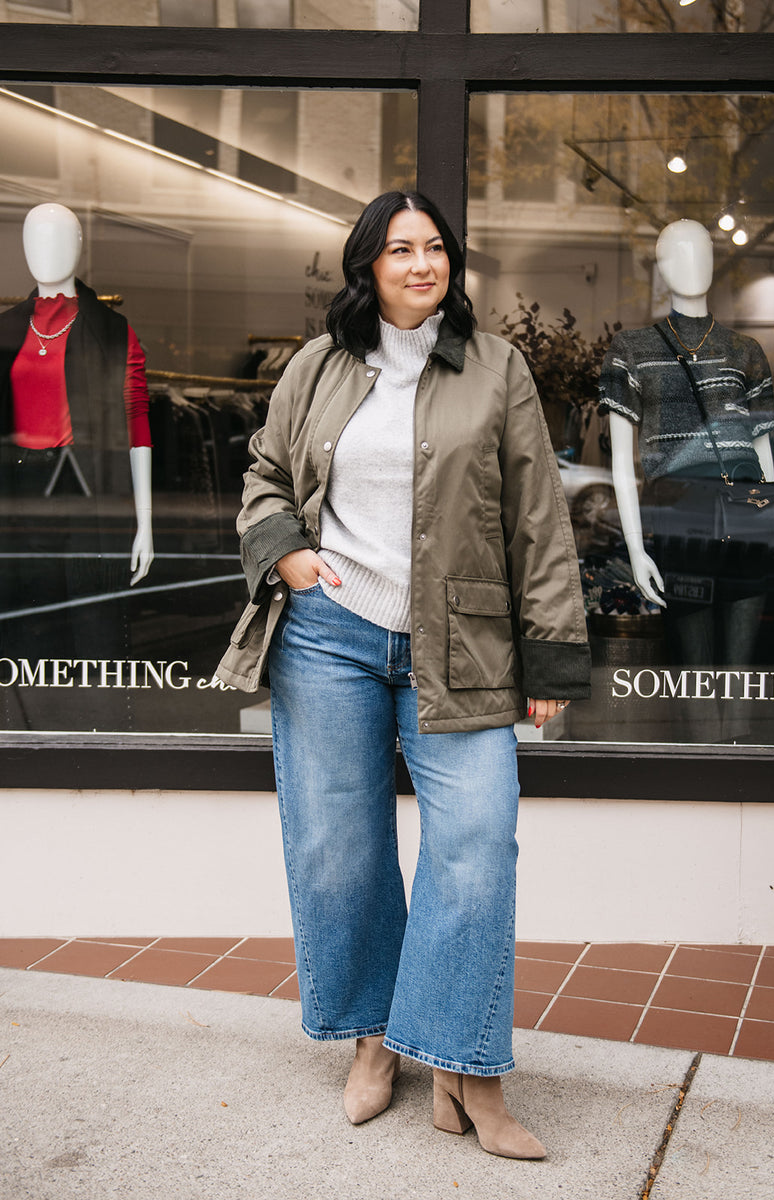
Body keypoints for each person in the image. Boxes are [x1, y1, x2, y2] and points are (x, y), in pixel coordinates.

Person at [217, 191, 590, 1159]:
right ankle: (375, 1042)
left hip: (460, 644)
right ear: (366, 266)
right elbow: (263, 471)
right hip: (329, 637)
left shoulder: (496, 368)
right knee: (338, 851)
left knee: (475, 847)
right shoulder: (319, 364)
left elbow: (537, 518)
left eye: (434, 248)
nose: (421, 263)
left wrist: (549, 651)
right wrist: (287, 553)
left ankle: (468, 1068)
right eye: (399, 249)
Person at [600, 218, 774, 669]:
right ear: (661, 266)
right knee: (694, 671)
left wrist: (771, 529)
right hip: (681, 521)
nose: (691, 261)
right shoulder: (631, 349)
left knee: (741, 673)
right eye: (676, 252)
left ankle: (736, 740)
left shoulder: (746, 350)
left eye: (701, 250)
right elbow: (623, 462)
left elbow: (762, 450)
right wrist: (637, 549)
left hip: (745, 522)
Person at [0, 202, 153, 585]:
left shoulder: (112, 331)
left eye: (59, 240)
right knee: (26, 622)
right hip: (19, 488)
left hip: (86, 487)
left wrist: (145, 521)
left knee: (91, 618)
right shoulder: (6, 329)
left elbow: (137, 422)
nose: (45, 251)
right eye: (35, 240)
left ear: (79, 247)